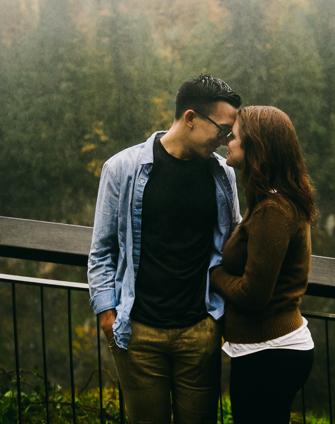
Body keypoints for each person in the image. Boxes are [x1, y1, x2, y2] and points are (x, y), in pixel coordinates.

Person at [87, 74, 242, 424]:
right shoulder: (122, 169)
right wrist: (106, 314)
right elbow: (102, 250)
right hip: (137, 332)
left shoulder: (223, 175)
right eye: (221, 129)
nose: (225, 140)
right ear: (190, 118)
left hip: (200, 331)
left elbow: (234, 241)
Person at [210, 106, 316, 424]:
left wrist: (213, 273)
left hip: (271, 354)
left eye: (235, 136)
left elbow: (254, 294)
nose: (227, 141)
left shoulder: (274, 210)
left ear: (255, 146)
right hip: (265, 352)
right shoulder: (270, 200)